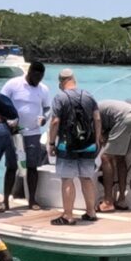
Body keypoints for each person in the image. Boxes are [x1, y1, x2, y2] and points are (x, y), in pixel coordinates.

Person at [47, 68, 102, 225]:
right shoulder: (88, 96)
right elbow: (97, 119)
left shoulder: (60, 98)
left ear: (61, 82)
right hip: (88, 145)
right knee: (86, 178)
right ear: (74, 79)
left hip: (67, 146)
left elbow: (55, 121)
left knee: (67, 179)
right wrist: (97, 139)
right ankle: (91, 212)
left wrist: (51, 143)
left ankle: (68, 215)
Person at [0, 62, 52, 209]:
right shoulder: (13, 84)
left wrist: (45, 118)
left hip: (33, 132)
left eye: (41, 78)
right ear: (29, 73)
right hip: (14, 132)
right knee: (11, 166)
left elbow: (47, 108)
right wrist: (7, 120)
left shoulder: (43, 89)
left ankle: (32, 201)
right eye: (36, 78)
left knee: (32, 166)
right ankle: (5, 201)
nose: (38, 81)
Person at [96, 99, 131, 212]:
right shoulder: (100, 107)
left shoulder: (92, 112)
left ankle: (108, 202)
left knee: (105, 157)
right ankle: (122, 199)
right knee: (120, 158)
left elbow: (100, 137)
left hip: (124, 119)